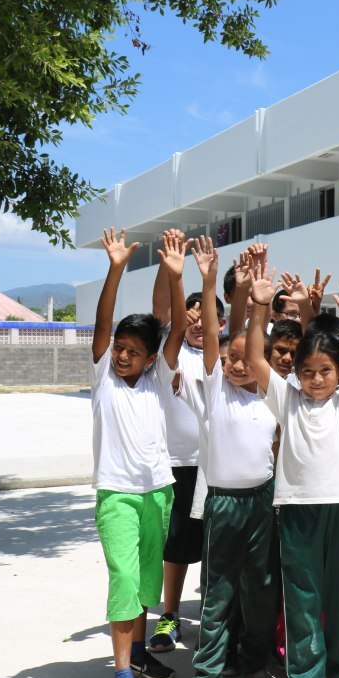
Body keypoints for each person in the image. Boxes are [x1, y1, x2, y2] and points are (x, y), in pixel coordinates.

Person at [245, 264, 339, 678]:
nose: (316, 379)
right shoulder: (287, 400)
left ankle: (337, 670)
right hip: (296, 508)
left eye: (325, 371)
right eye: (307, 371)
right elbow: (257, 358)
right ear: (295, 374)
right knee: (302, 596)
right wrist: (259, 306)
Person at [92, 228, 188, 678]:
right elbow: (104, 321)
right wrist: (116, 268)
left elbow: (174, 332)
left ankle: (141, 653)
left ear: (151, 358)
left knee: (146, 582)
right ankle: (122, 676)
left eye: (133, 349)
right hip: (117, 496)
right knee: (124, 578)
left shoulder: (158, 378)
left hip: (159, 493)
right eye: (119, 347)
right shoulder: (103, 374)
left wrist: (176, 277)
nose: (123, 354)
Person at [183, 237, 280, 678]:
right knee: (218, 591)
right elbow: (228, 330)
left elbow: (251, 338)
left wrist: (261, 301)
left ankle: (256, 662)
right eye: (229, 358)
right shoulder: (214, 391)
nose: (237, 363)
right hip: (224, 504)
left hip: (263, 503)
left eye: (246, 358)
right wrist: (209, 278)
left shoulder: (267, 393)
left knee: (261, 590)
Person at [148, 231, 212, 654]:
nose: (196, 326)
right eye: (187, 320)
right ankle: (170, 614)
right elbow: (160, 314)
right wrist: (173, 273)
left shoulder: (225, 357)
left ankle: (217, 615)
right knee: (177, 547)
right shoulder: (172, 354)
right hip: (177, 465)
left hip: (217, 467)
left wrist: (213, 283)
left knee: (216, 545)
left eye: (203, 320)